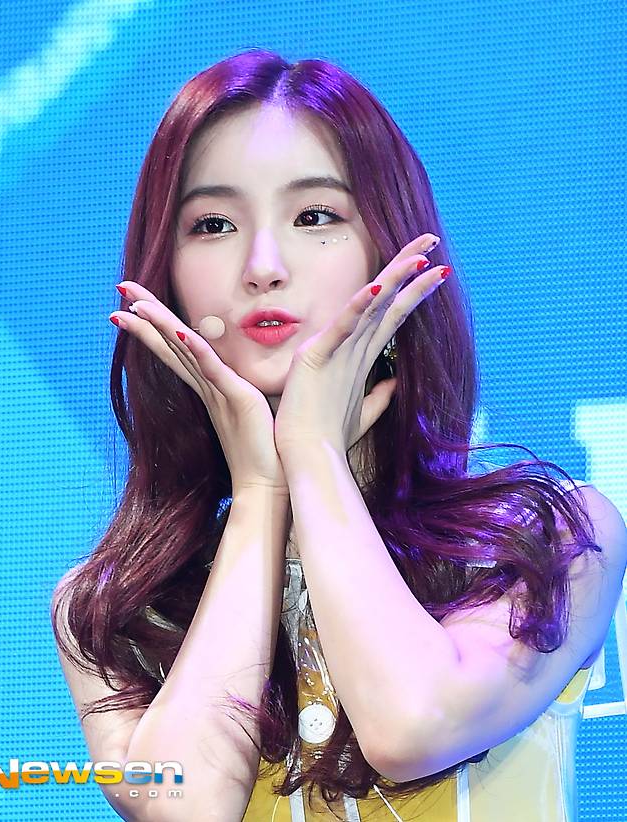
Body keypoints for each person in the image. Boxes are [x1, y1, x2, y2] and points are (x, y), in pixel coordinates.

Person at [51, 48, 627, 822]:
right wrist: (262, 492)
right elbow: (184, 808)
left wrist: (314, 453)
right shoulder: (119, 609)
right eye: (213, 224)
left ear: (389, 246)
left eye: (315, 216)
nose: (262, 266)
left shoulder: (545, 538)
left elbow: (412, 723)